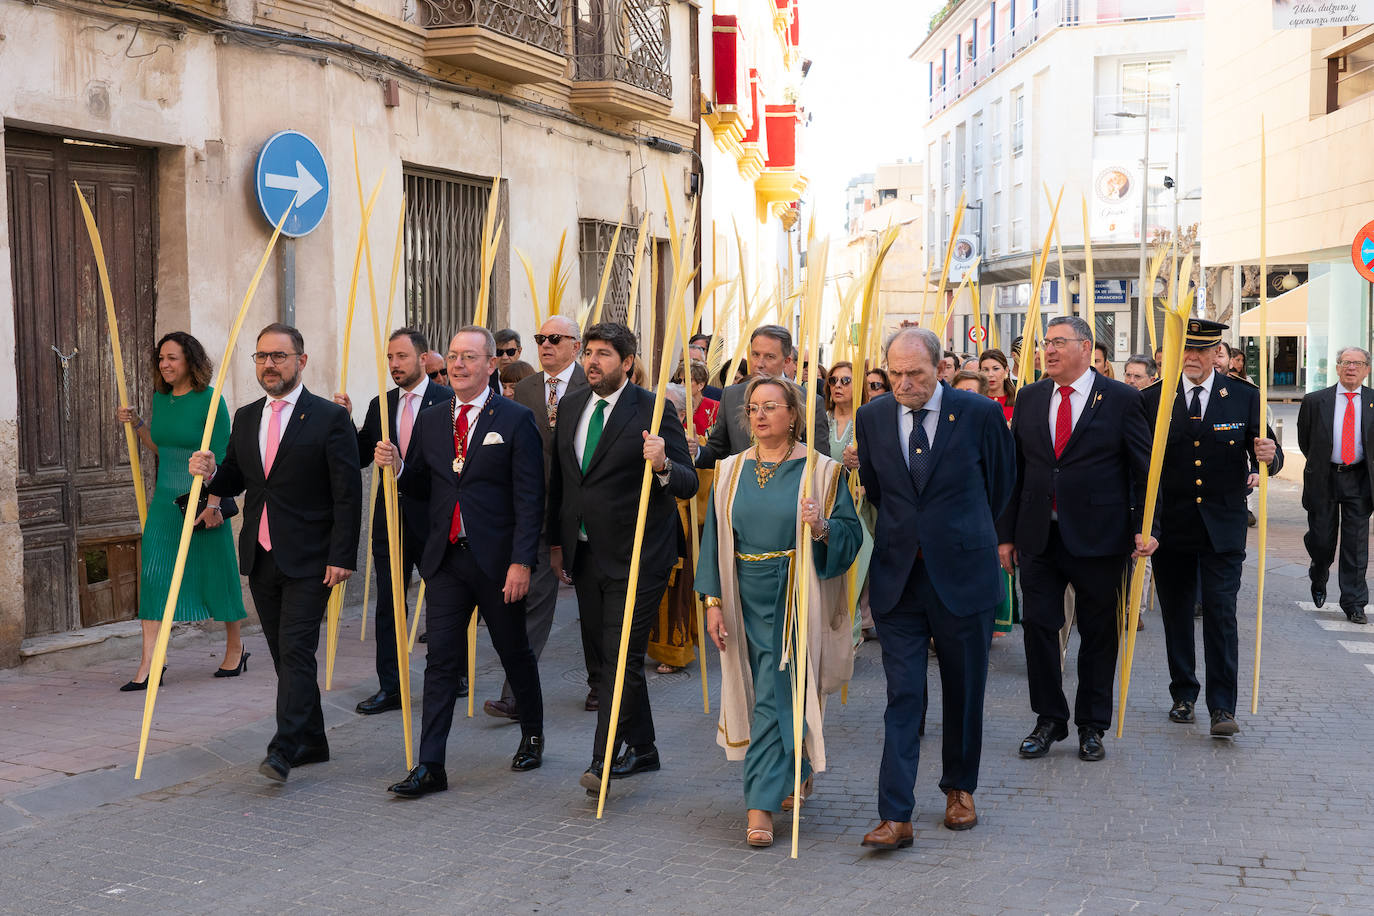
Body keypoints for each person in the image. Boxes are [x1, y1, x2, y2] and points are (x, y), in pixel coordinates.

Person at [851, 327, 1015, 850]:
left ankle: (959, 790)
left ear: (940, 368)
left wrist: (964, 536)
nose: (903, 384)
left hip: (963, 576)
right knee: (903, 696)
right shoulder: (873, 416)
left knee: (964, 691)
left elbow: (1001, 485)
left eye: (914, 374)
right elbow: (878, 490)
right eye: (894, 374)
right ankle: (895, 814)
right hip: (898, 580)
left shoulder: (979, 414)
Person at [377, 326, 547, 797]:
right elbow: (422, 486)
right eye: (452, 356)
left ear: (491, 365)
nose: (458, 365)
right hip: (447, 560)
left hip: (496, 562)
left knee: (513, 651)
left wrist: (522, 562)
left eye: (469, 357)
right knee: (440, 662)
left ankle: (532, 732)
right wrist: (395, 467)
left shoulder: (513, 419)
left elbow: (530, 497)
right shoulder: (432, 419)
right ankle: (431, 764)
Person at [190, 323, 362, 783]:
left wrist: (343, 554)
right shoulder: (247, 416)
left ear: (300, 362)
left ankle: (284, 747)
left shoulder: (329, 418)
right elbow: (235, 479)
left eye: (279, 356)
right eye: (262, 356)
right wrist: (207, 475)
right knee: (286, 656)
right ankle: (314, 740)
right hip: (262, 556)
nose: (270, 364)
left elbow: (348, 494)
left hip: (312, 557)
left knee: (296, 650)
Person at [697, 376, 862, 848]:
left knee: (774, 690)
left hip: (794, 595)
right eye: (753, 408)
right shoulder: (729, 471)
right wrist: (711, 603)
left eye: (771, 406)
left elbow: (850, 539)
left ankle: (759, 804)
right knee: (760, 689)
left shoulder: (822, 472)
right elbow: (713, 542)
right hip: (740, 592)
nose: (760, 415)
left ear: (794, 414)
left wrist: (821, 526)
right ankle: (798, 765)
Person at [547, 322, 698, 796]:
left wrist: (663, 464)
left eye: (604, 354)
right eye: (589, 352)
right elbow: (565, 482)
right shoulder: (571, 405)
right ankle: (645, 748)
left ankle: (603, 758)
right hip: (587, 555)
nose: (592, 361)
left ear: (627, 362)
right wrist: (558, 543)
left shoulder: (654, 410)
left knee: (621, 659)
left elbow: (687, 483)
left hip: (639, 556)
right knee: (606, 659)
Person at [997, 316, 1155, 763]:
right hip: (1039, 537)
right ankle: (1049, 718)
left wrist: (1147, 527)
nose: (1048, 350)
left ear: (1086, 348)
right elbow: (1017, 470)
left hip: (1100, 539)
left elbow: (1144, 471)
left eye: (1058, 343)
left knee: (1099, 633)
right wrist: (1005, 535)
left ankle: (1092, 724)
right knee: (1040, 629)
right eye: (1046, 343)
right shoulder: (1029, 398)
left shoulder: (1121, 399)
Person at [1141, 319, 1281, 738]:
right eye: (1185, 351)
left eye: (1201, 351)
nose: (1193, 359)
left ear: (1216, 352)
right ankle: (1183, 693)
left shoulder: (1243, 396)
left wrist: (1269, 456)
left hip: (1222, 526)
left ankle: (1222, 706)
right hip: (1172, 527)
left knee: (1221, 614)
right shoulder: (1154, 400)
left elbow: (1270, 456)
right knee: (1178, 614)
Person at [333, 328, 454, 716]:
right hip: (391, 520)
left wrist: (405, 468)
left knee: (445, 602)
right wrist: (344, 422)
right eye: (389, 357)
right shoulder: (380, 404)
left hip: (436, 521)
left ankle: (450, 676)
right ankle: (391, 686)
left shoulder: (448, 400)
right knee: (389, 605)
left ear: (423, 358)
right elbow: (360, 456)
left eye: (401, 356)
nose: (394, 365)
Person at [117, 332, 246, 690]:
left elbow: (221, 456)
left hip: (203, 500)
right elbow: (163, 447)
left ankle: (236, 646)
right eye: (161, 358)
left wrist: (215, 505)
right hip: (165, 502)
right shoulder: (162, 398)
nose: (165, 364)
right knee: (154, 576)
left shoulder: (211, 400)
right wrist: (138, 423)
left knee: (217, 575)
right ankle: (150, 661)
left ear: (190, 361)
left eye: (172, 358)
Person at [488, 316, 590, 719]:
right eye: (540, 339)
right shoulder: (525, 389)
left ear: (575, 345)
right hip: (537, 510)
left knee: (595, 607)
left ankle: (600, 683)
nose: (545, 345)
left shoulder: (591, 384)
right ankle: (515, 694)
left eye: (554, 338)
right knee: (532, 605)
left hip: (584, 515)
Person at [1298, 346, 1374, 625]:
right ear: (1337, 367)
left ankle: (1354, 603)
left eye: (1357, 363)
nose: (1351, 368)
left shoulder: (1372, 401)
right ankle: (1318, 573)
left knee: (1355, 546)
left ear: (1367, 369)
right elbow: (1306, 442)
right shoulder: (1315, 401)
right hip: (1324, 478)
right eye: (1345, 362)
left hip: (1359, 480)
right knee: (1322, 541)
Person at [695, 326, 831, 467]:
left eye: (769, 357)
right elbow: (717, 451)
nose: (759, 364)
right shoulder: (731, 396)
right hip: (743, 486)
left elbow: (820, 463)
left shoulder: (809, 402)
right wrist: (696, 451)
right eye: (755, 355)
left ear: (787, 361)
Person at [827, 362, 877, 642]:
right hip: (826, 506)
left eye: (846, 380)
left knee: (856, 568)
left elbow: (882, 462)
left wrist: (865, 481)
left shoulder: (867, 421)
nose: (838, 386)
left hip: (859, 509)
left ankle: (852, 633)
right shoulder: (820, 420)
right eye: (833, 380)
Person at [978, 349, 1016, 424]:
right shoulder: (976, 401)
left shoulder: (1018, 401)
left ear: (1006, 370)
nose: (990, 374)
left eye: (996, 369)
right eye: (985, 370)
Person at [687, 360, 720, 438]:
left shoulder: (716, 407)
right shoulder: (674, 405)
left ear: (700, 385)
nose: (681, 384)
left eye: (687, 381)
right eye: (679, 381)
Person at [689, 334, 724, 400]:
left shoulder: (721, 375)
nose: (696, 351)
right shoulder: (677, 380)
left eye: (701, 349)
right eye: (693, 347)